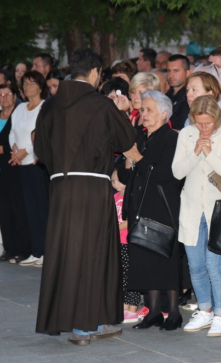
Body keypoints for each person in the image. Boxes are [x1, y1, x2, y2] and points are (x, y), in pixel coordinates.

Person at [34, 48, 136, 345]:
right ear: (94, 72)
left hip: (61, 188)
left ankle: (95, 319)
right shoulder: (100, 104)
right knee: (94, 253)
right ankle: (84, 327)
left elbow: (40, 150)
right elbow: (126, 140)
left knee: (68, 252)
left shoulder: (49, 106)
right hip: (92, 186)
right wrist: (120, 111)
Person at [172, 95, 221, 336]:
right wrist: (196, 151)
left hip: (216, 210)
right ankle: (205, 310)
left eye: (208, 123)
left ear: (217, 119)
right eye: (199, 123)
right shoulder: (186, 134)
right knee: (196, 266)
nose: (203, 128)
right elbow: (177, 172)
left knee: (213, 265)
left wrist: (209, 153)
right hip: (190, 208)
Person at [118, 90, 183, 331]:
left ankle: (174, 313)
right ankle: (154, 311)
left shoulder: (171, 138)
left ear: (164, 113)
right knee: (145, 261)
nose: (143, 114)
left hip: (163, 206)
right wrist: (129, 158)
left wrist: (138, 158)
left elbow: (166, 174)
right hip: (139, 207)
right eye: (142, 110)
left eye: (149, 110)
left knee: (165, 259)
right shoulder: (141, 137)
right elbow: (125, 176)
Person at [9, 71, 49, 268]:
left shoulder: (44, 107)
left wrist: (28, 151)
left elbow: (44, 134)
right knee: (29, 210)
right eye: (25, 83)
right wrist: (15, 149)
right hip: (21, 165)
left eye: (32, 83)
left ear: (41, 87)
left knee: (42, 209)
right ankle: (35, 250)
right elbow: (12, 132)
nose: (27, 87)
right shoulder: (20, 109)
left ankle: (44, 251)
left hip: (36, 164)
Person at [0, 81, 32, 263]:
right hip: (1, 170)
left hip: (14, 166)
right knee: (3, 210)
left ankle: (22, 248)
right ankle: (9, 248)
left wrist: (3, 150)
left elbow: (18, 139)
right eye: (1, 95)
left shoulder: (18, 115)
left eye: (7, 95)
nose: (4, 99)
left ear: (14, 96)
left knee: (17, 208)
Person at [111, 168, 141, 324]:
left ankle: (133, 308)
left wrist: (114, 228)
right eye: (112, 181)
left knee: (131, 275)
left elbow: (129, 222)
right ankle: (124, 306)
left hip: (127, 241)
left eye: (117, 180)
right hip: (118, 242)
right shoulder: (114, 197)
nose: (114, 183)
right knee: (122, 276)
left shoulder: (129, 198)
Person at [166, 54, 191, 130]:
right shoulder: (166, 96)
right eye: (168, 71)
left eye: (176, 71)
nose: (171, 75)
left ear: (187, 73)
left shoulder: (190, 96)